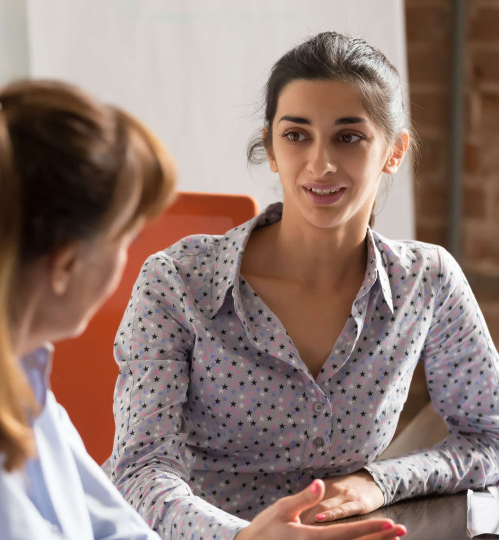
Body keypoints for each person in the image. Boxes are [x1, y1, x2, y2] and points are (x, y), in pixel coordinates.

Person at [0, 79, 403, 540]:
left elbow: (115, 530)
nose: (133, 262)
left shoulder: (16, 377)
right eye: (123, 239)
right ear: (65, 264)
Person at [109, 31, 499, 540]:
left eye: (349, 137)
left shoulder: (427, 281)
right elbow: (140, 469)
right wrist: (245, 538)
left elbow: (489, 435)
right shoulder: (178, 281)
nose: (320, 164)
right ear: (270, 146)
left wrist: (377, 482)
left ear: (394, 151)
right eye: (296, 135)